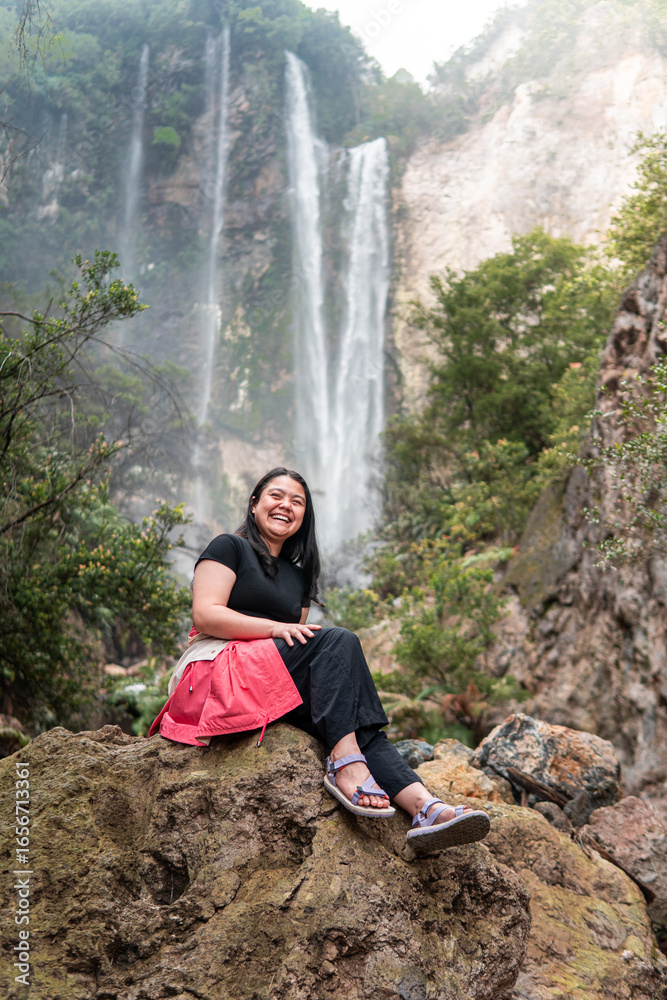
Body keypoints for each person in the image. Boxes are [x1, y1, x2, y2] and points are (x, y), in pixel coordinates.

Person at [149, 467, 490, 855]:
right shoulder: (230, 546)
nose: (285, 506)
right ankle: (344, 766)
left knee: (353, 722)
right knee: (338, 639)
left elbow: (304, 654)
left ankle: (426, 809)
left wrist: (287, 638)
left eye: (297, 502)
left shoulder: (300, 574)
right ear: (254, 503)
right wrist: (275, 628)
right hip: (215, 669)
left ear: (304, 516)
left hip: (265, 678)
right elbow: (205, 615)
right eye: (276, 496)